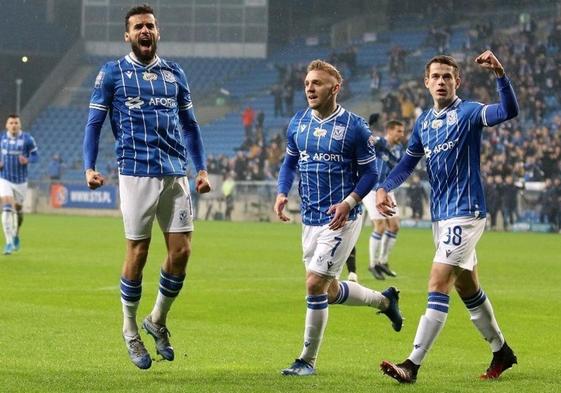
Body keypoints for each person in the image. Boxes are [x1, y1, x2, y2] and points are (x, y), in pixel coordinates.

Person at [376, 51, 519, 383]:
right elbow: (408, 162)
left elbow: (507, 111)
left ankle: (411, 364)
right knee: (467, 287)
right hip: (441, 217)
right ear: (426, 83)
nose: (441, 82)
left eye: (447, 77)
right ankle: (502, 351)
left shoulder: (468, 112)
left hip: (466, 213)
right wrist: (385, 187)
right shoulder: (424, 122)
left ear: (458, 81)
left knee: (438, 282)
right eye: (436, 77)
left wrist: (500, 73)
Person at [82, 4, 211, 370]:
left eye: (150, 26)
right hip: (136, 172)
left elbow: (190, 125)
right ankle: (129, 330)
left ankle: (155, 319)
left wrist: (200, 169)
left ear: (158, 32)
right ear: (127, 35)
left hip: (176, 173)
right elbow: (94, 123)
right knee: (137, 253)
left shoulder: (174, 73)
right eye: (138, 26)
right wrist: (89, 167)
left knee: (182, 252)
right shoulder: (112, 73)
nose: (144, 31)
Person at [274, 59, 403, 376]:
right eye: (307, 83)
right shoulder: (298, 123)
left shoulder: (355, 127)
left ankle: (307, 360)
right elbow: (290, 163)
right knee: (328, 291)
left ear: (335, 87)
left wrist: (349, 202)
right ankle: (385, 302)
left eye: (317, 83)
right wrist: (281, 192)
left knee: (314, 284)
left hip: (342, 218)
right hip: (310, 217)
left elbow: (371, 173)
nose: (310, 88)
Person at [360, 120, 406, 280]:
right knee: (380, 226)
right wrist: (369, 132)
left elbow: (399, 166)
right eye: (399, 131)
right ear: (389, 131)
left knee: (394, 226)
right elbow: (368, 140)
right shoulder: (379, 142)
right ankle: (373, 264)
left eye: (402, 131)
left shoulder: (399, 149)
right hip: (371, 190)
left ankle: (383, 261)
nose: (402, 134)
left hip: (386, 189)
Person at [0, 114, 38, 255]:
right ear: (7, 125)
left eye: (16, 122)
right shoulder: (1, 138)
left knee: (19, 211)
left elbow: (36, 156)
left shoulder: (27, 139)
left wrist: (27, 160)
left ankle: (16, 233)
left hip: (21, 181)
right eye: (11, 123)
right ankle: (9, 242)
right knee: (7, 208)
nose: (14, 125)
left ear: (20, 125)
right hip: (4, 178)